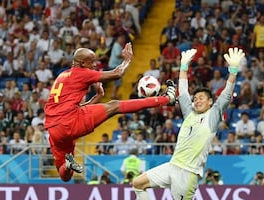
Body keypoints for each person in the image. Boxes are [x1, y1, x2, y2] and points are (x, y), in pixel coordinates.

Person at [132, 47, 245, 200]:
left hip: (189, 174)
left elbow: (225, 95)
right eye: (196, 98)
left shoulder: (213, 117)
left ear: (211, 103)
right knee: (138, 183)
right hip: (172, 166)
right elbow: (183, 91)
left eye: (202, 97)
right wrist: (183, 67)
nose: (197, 100)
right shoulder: (189, 113)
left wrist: (233, 71)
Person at [44, 44, 176, 182]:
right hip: (69, 123)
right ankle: (167, 98)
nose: (95, 65)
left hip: (54, 131)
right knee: (115, 106)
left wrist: (96, 97)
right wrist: (127, 60)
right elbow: (117, 74)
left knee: (65, 175)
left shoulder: (62, 76)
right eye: (92, 61)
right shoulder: (81, 72)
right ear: (82, 63)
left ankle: (67, 165)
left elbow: (71, 108)